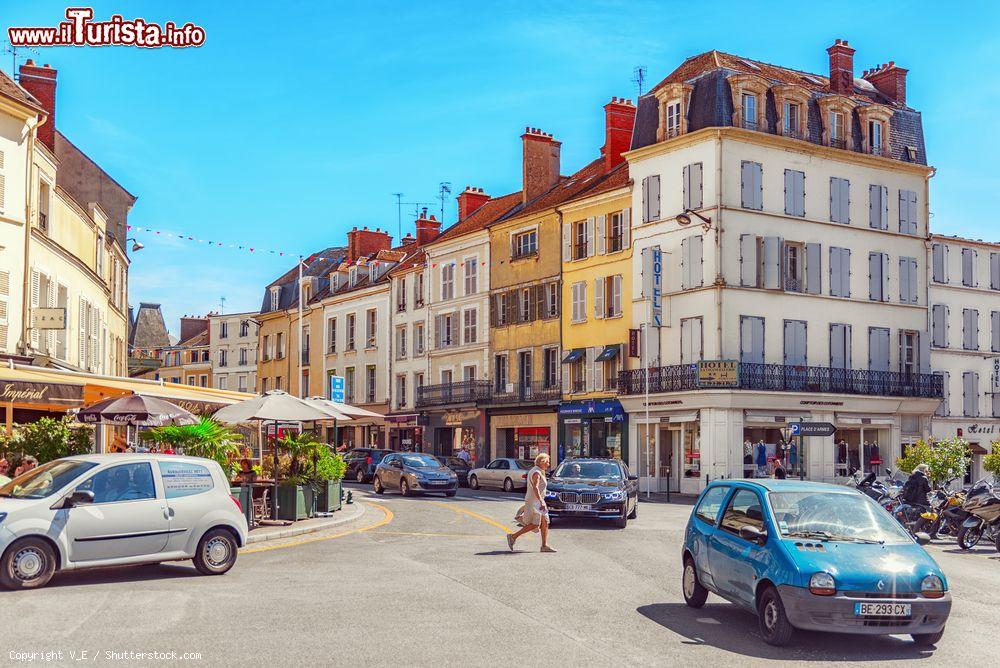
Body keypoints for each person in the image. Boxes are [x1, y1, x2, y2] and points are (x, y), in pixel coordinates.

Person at [506, 453, 556, 553]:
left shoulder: (538, 470)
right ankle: (513, 536)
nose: (548, 464)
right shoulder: (536, 472)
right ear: (541, 462)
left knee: (545, 521)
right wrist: (541, 501)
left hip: (536, 500)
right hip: (536, 501)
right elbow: (535, 487)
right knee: (535, 524)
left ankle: (544, 545)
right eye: (547, 462)